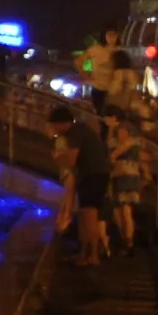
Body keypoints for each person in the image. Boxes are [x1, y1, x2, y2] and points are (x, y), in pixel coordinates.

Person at [48, 105, 109, 266]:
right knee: (86, 215)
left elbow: (70, 161)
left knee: (90, 215)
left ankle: (93, 256)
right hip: (94, 175)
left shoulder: (74, 133)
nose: (54, 129)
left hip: (92, 176)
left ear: (62, 123)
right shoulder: (81, 129)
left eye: (54, 125)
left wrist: (57, 156)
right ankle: (85, 254)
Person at [106, 117, 146, 252]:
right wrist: (111, 129)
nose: (120, 134)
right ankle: (125, 238)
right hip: (120, 177)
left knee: (125, 208)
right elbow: (109, 145)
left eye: (122, 132)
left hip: (126, 177)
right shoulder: (128, 143)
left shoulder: (130, 142)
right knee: (119, 209)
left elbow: (113, 154)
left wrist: (112, 157)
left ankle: (128, 241)